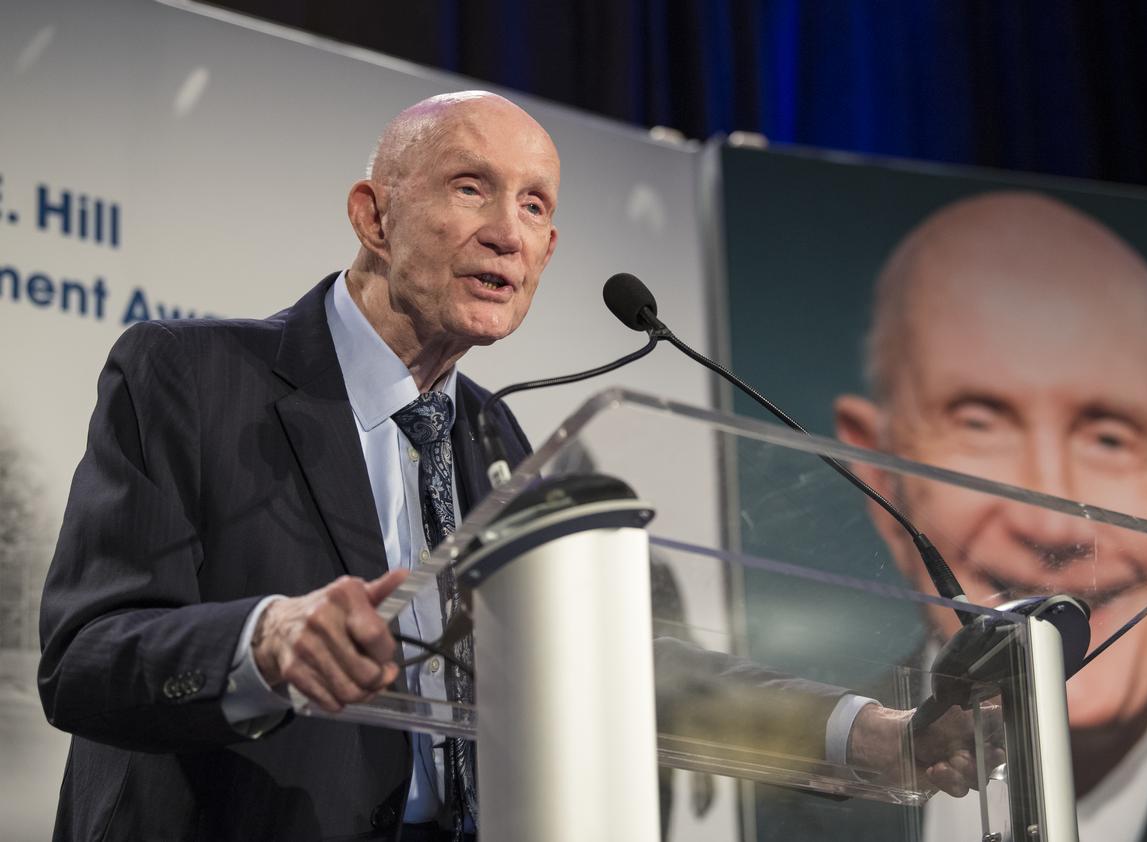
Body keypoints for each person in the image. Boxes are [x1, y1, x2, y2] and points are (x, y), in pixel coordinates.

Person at [38, 91, 991, 841]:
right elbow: (83, 659)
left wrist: (871, 734)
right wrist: (262, 644)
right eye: (469, 187)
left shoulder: (497, 440)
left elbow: (620, 670)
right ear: (373, 215)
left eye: (534, 205)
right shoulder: (189, 379)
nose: (508, 229)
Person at [833, 191, 1147, 842]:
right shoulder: (762, 801)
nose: (1053, 528)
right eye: (980, 423)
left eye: (1109, 437)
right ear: (880, 476)